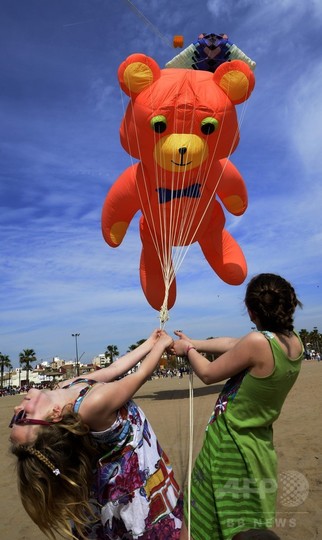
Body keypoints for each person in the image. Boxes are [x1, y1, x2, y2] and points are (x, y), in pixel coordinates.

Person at [9, 329, 183, 539]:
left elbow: (115, 368)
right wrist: (161, 345)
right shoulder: (91, 405)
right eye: (23, 417)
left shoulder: (65, 387)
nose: (15, 410)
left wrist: (150, 342)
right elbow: (141, 375)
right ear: (54, 416)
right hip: (135, 481)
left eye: (15, 419)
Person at [171, 273, 304, 540]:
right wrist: (194, 343)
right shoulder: (294, 344)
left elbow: (208, 373)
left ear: (252, 312)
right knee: (242, 523)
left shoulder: (256, 344)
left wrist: (187, 351)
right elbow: (234, 344)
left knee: (197, 520)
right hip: (258, 446)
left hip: (228, 447)